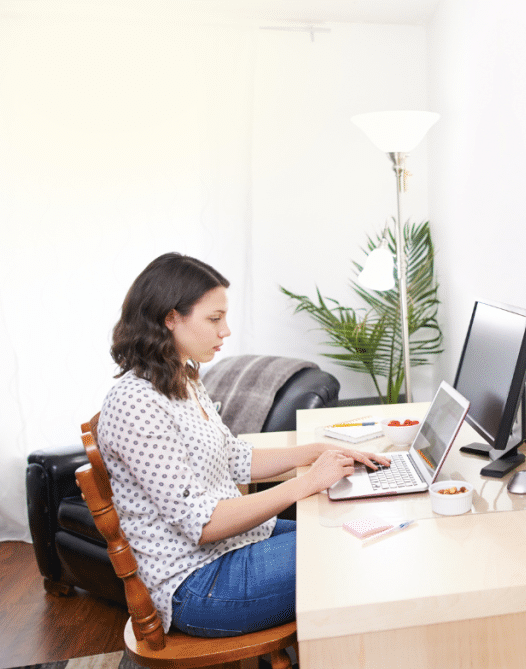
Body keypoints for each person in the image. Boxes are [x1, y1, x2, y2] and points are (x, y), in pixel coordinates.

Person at [96, 252, 390, 638]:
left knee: (359, 529)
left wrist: (316, 451)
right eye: (214, 319)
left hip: (233, 547)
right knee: (353, 551)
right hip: (197, 583)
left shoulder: (181, 377)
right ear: (170, 319)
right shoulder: (136, 403)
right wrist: (308, 481)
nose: (226, 331)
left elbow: (235, 458)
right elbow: (202, 524)